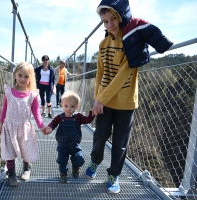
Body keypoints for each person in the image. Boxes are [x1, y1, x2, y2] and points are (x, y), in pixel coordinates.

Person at [85, 0, 173, 194]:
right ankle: (95, 161)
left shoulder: (133, 41)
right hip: (104, 101)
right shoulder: (102, 44)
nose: (110, 25)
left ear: (122, 16)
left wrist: (102, 99)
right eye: (105, 21)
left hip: (126, 103)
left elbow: (123, 74)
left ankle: (113, 175)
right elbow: (100, 74)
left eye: (113, 18)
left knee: (120, 143)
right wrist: (96, 99)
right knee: (100, 136)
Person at [0, 62, 47, 187]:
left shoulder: (32, 95)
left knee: (26, 149)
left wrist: (42, 127)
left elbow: (36, 113)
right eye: (20, 75)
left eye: (26, 76)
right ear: (15, 75)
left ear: (30, 79)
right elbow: (4, 109)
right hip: (9, 127)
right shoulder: (9, 92)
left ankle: (26, 167)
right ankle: (12, 174)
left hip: (24, 128)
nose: (22, 79)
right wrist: (0, 123)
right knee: (9, 150)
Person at [44, 91, 95, 183]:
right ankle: (63, 174)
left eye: (72, 106)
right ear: (62, 105)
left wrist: (92, 114)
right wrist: (50, 128)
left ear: (77, 106)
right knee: (62, 160)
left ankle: (75, 167)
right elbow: (53, 123)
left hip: (75, 144)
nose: (69, 109)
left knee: (78, 158)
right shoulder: (60, 117)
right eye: (66, 106)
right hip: (62, 144)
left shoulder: (78, 117)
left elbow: (87, 120)